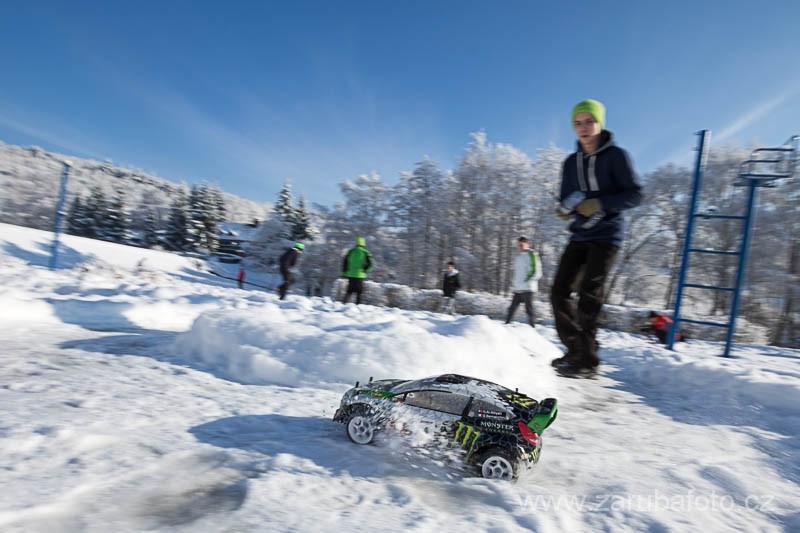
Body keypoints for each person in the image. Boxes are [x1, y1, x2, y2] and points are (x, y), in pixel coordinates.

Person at [550, 99, 642, 374]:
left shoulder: (616, 156)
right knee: (559, 291)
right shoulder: (570, 163)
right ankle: (575, 349)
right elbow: (565, 196)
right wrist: (564, 209)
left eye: (589, 121)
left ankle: (588, 361)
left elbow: (635, 194)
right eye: (577, 123)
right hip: (579, 234)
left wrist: (601, 203)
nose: (583, 127)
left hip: (607, 236)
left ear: (600, 124)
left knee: (589, 294)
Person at [505, 236, 542, 327]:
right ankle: (506, 327)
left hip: (528, 288)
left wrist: (526, 282)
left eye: (522, 245)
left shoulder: (532, 254)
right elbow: (518, 273)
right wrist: (515, 284)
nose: (520, 247)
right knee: (511, 309)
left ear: (527, 244)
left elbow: (535, 271)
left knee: (529, 310)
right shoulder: (519, 257)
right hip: (518, 288)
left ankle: (533, 328)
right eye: (519, 245)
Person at [341, 237, 374, 304]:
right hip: (360, 275)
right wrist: (365, 270)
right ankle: (357, 306)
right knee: (359, 292)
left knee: (349, 291)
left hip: (350, 274)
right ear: (363, 243)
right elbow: (371, 263)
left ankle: (343, 304)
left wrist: (343, 273)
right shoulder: (365, 252)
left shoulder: (351, 251)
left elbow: (345, 262)